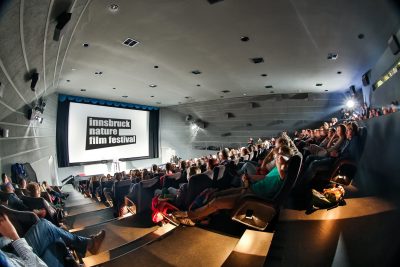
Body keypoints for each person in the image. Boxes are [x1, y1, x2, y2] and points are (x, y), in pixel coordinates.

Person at [172, 146, 292, 225]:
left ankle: (191, 217)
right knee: (216, 194)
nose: (275, 157)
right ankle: (202, 215)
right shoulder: (277, 168)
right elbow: (266, 177)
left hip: (253, 197)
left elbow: (282, 167)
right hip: (250, 190)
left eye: (278, 156)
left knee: (216, 202)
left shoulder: (283, 171)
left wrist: (279, 156)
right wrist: (250, 177)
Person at [0, 213, 105, 267]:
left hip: (10, 253)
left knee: (55, 238)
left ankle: (74, 260)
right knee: (47, 227)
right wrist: (14, 236)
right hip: (20, 259)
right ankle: (89, 244)